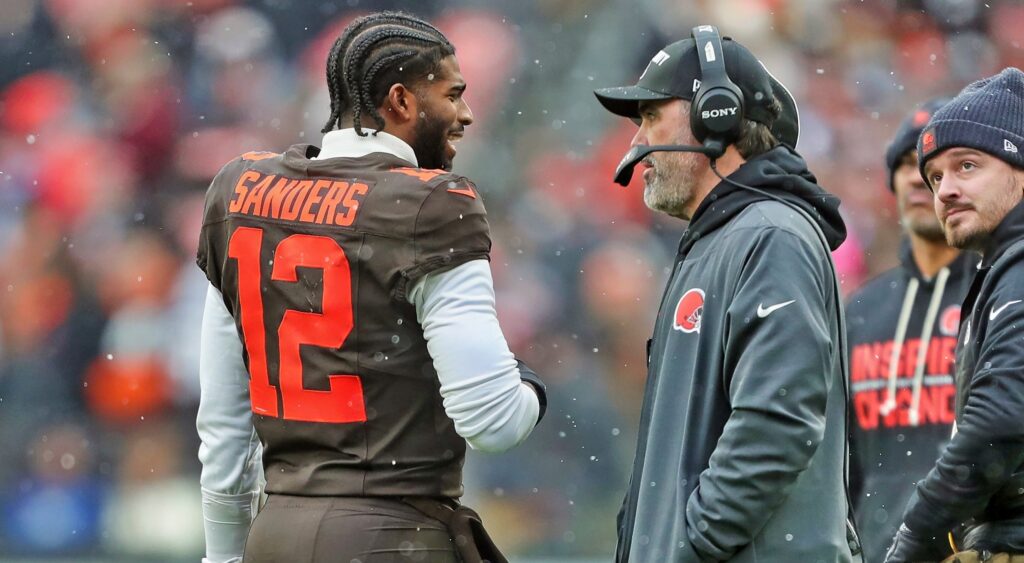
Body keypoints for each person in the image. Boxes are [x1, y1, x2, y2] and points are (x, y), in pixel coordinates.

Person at [195, 11, 547, 563]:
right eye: (453, 94)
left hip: (276, 535)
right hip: (391, 538)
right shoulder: (431, 204)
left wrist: (222, 553)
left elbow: (224, 424)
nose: (466, 114)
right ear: (402, 102)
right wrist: (532, 384)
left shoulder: (241, 191)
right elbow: (493, 420)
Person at [594, 25, 860, 562]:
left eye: (649, 117)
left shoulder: (770, 236)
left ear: (714, 115)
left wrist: (693, 544)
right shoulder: (724, 239)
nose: (637, 143)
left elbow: (776, 422)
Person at [885, 68, 1024, 563]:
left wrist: (915, 539)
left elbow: (1002, 419)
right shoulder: (1001, 266)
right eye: (935, 175)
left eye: (967, 166)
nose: (943, 191)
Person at [847, 97, 976, 562]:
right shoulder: (859, 311)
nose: (922, 179)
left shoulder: (1000, 295)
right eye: (909, 163)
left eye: (940, 168)